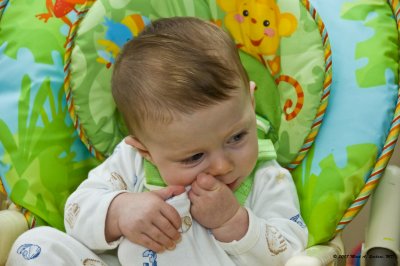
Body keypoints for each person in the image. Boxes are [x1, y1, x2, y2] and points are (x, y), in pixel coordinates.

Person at [7, 16, 307, 266]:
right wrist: (119, 211)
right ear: (144, 149)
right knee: (34, 245)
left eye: (237, 137)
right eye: (194, 157)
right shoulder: (131, 163)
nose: (222, 165)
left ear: (251, 104)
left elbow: (291, 249)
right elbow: (76, 213)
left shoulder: (267, 178)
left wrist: (233, 221)